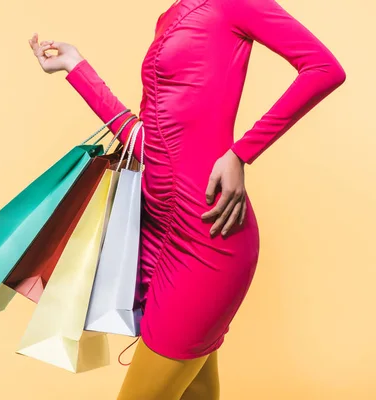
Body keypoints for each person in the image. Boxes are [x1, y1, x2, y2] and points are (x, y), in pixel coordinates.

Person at [28, 0, 346, 398]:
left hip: (207, 237)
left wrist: (241, 152)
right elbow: (151, 143)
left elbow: (324, 69)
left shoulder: (234, 4)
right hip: (160, 238)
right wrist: (76, 68)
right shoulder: (170, 16)